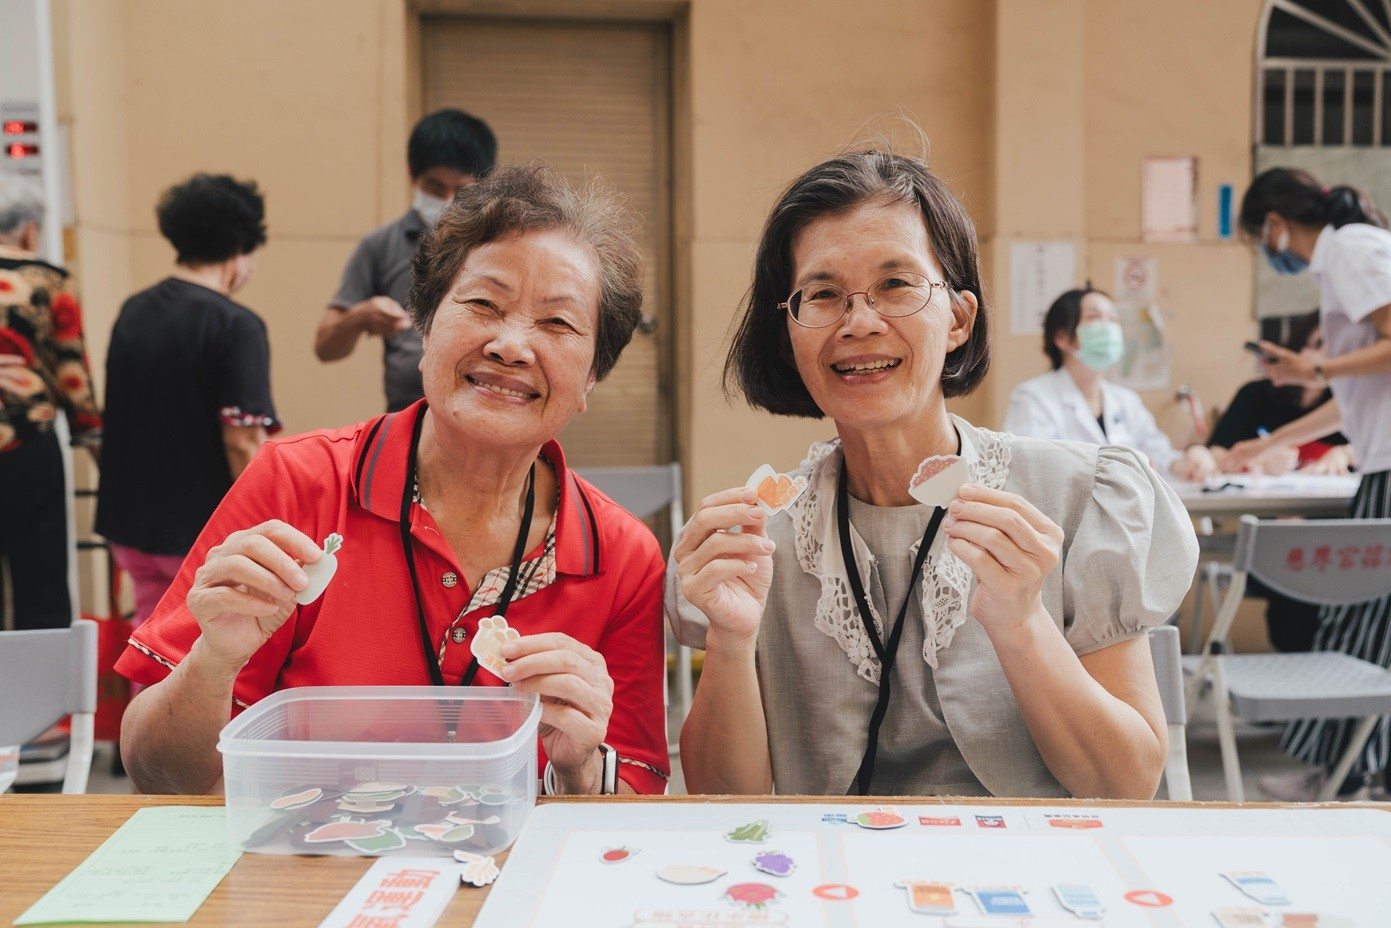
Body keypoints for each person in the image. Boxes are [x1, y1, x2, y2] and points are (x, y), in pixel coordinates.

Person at [116, 164, 669, 797]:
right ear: (426, 326)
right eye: (484, 304)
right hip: (302, 879)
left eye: (557, 324)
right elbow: (156, 772)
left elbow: (636, 808)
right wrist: (214, 662)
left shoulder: (623, 557)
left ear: (592, 377)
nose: (512, 345)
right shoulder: (298, 485)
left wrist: (578, 766)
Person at [669, 151, 1198, 799]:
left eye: (895, 286)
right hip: (834, 878)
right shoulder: (763, 535)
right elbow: (726, 805)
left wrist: (1022, 622)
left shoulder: (1077, 496)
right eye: (823, 294)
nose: (858, 322)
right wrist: (728, 640)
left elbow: (1125, 786)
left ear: (957, 319)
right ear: (788, 333)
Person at [1222, 167, 1391, 801]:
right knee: (1366, 622)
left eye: (1259, 239)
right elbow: (1354, 396)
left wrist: (1314, 363)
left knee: (1360, 619)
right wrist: (1266, 444)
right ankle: (1348, 773)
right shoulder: (1351, 252)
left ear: (1273, 224)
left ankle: (1347, 776)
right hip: (1379, 457)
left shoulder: (1347, 247)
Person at [96, 174, 279, 629]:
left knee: (150, 639)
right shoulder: (236, 326)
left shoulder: (134, 309)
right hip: (199, 533)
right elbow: (243, 441)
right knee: (200, 651)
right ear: (243, 247)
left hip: (130, 525)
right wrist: (272, 520)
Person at [314, 109, 498, 411]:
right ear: (412, 173)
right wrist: (360, 315)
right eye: (435, 187)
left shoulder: (502, 246)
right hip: (407, 417)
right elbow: (325, 347)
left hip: (485, 408)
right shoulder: (381, 246)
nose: (448, 201)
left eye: (462, 190)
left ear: (485, 184)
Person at [0, 176, 101, 630]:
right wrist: (92, 437)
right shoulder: (50, 281)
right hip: (26, 444)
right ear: (29, 230)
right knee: (39, 580)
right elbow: (71, 373)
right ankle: (40, 696)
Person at [1003, 287, 1218, 482]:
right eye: (1094, 317)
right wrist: (1121, 469)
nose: (1109, 327)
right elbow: (1032, 469)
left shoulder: (1126, 400)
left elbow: (1158, 454)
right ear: (1063, 338)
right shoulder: (1033, 398)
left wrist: (1188, 459)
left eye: (1114, 319)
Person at [1206, 311, 1352, 477]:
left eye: (1322, 345)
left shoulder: (1348, 398)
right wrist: (1257, 459)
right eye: (1306, 345)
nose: (1308, 355)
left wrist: (1344, 454)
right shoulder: (1255, 394)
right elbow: (1214, 452)